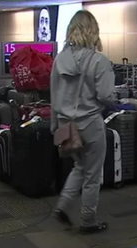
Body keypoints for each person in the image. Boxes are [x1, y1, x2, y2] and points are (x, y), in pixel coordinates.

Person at [50, 10, 115, 234]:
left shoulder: (59, 59)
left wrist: (55, 126)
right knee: (92, 174)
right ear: (93, 31)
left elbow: (53, 94)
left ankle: (63, 205)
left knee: (80, 166)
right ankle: (88, 220)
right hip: (90, 124)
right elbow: (106, 95)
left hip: (67, 125)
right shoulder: (99, 60)